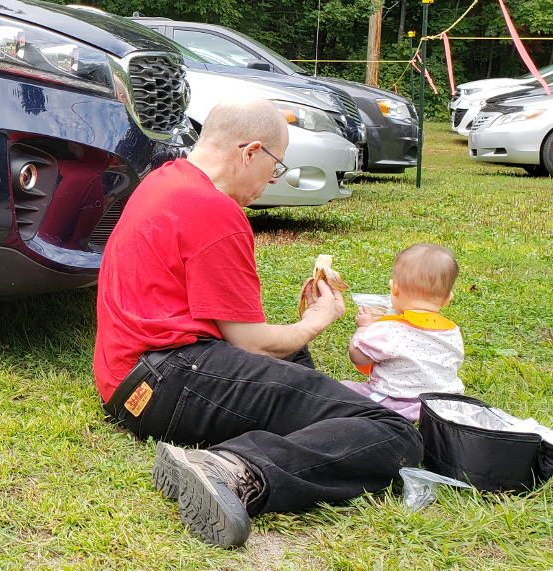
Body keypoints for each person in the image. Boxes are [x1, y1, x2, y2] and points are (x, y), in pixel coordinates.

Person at [93, 96, 423, 549]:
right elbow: (252, 346)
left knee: (299, 362)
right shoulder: (215, 211)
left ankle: (326, 427)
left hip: (130, 384)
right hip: (171, 379)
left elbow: (242, 333)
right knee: (391, 432)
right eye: (275, 167)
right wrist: (318, 320)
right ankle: (232, 469)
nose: (271, 180)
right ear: (250, 152)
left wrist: (299, 332)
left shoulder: (165, 181)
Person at [343, 244, 464, 422]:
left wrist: (364, 327)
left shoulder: (388, 328)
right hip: (443, 406)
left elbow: (358, 358)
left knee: (342, 389)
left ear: (394, 288)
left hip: (395, 403)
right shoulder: (452, 331)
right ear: (447, 299)